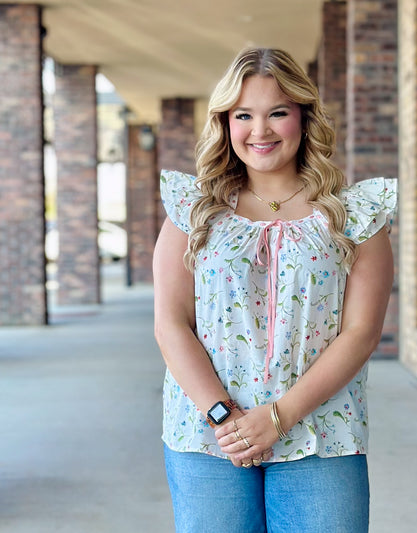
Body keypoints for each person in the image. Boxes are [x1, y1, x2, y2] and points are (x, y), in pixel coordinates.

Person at [153, 47, 397, 533]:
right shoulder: (193, 209)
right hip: (209, 438)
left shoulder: (356, 215)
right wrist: (225, 418)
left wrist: (279, 417)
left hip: (322, 434)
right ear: (225, 122)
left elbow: (361, 332)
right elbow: (170, 322)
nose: (259, 130)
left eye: (277, 113)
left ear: (304, 118)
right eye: (243, 114)